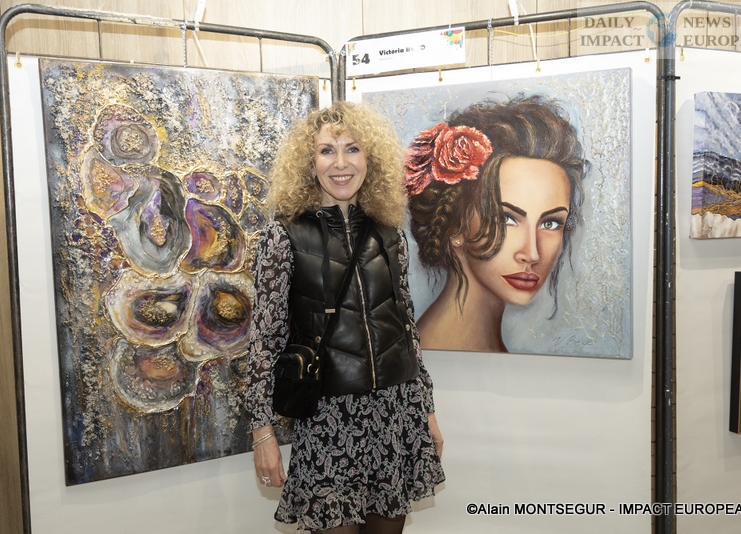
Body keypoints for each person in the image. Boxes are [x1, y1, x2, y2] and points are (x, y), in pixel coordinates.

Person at [245, 101, 444, 534]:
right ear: (309, 163)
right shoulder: (283, 237)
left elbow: (406, 328)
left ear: (370, 159)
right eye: (326, 151)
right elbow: (263, 343)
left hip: (395, 413)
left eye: (352, 149)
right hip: (327, 420)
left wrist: (426, 411)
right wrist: (263, 433)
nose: (340, 163)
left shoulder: (389, 234)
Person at [404, 95, 587, 353]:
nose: (532, 254)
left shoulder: (487, 349)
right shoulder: (431, 349)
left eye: (550, 224)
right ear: (456, 226)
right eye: (507, 218)